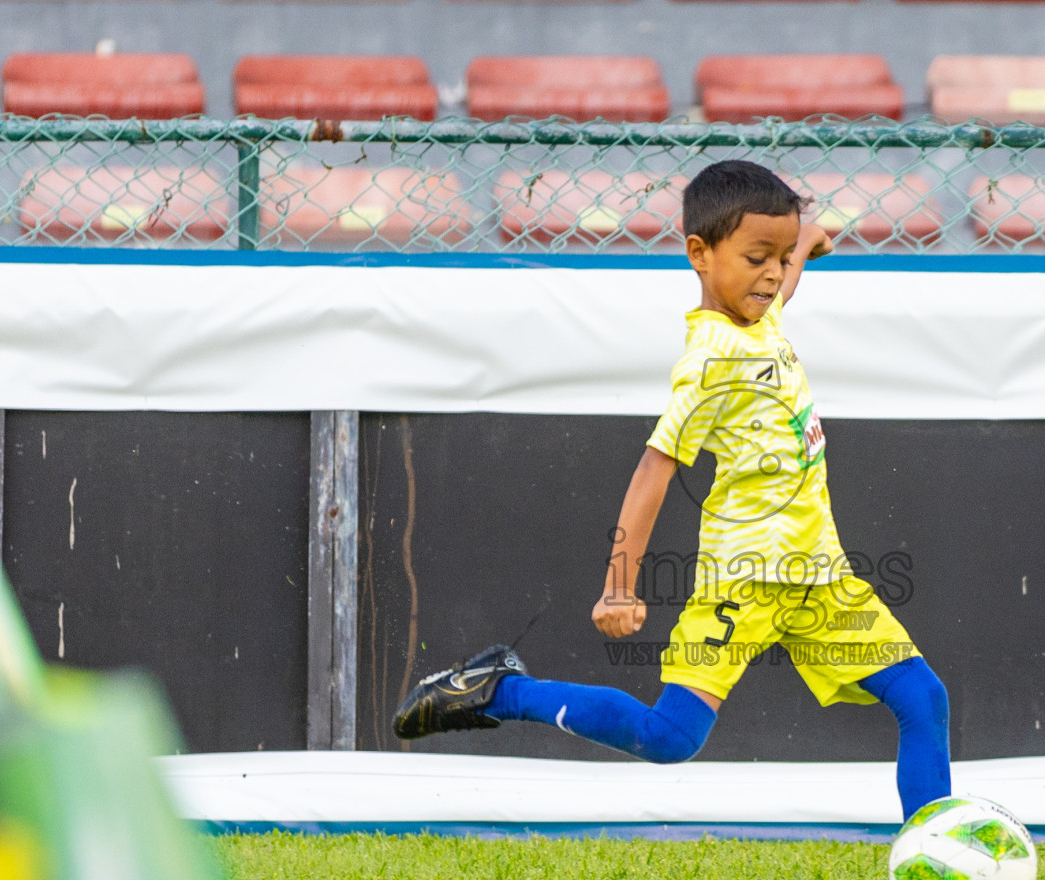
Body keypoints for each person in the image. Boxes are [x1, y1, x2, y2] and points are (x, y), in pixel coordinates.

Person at [392, 160, 951, 820]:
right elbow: (655, 468)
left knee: (922, 697)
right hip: (743, 583)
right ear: (699, 254)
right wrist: (620, 585)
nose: (771, 276)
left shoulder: (759, 313)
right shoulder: (709, 361)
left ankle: (932, 855)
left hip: (819, 577)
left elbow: (784, 280)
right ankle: (500, 691)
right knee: (670, 739)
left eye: (777, 259)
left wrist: (803, 243)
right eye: (755, 258)